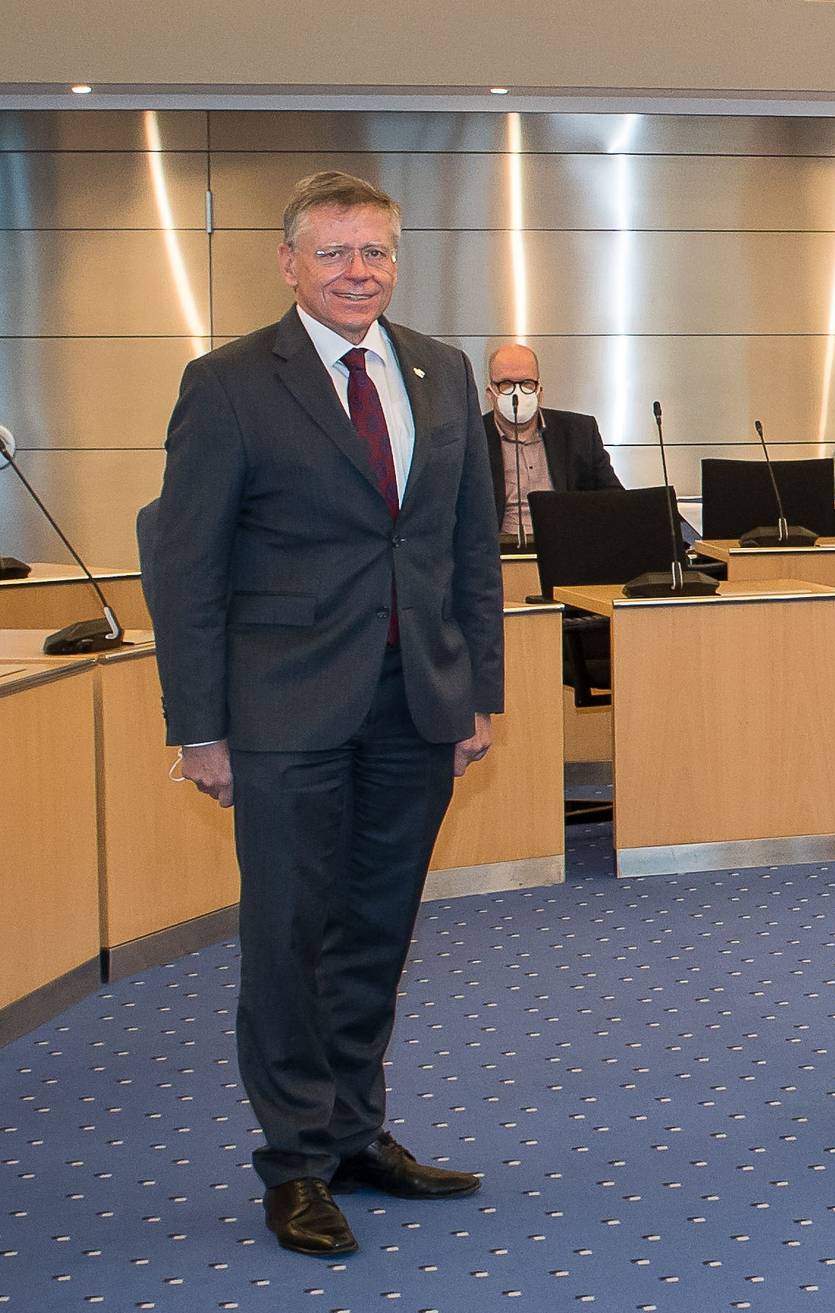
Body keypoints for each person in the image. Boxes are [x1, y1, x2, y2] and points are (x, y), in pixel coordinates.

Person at [148, 171, 505, 1256]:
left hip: (416, 705)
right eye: (338, 253)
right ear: (290, 261)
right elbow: (187, 566)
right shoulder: (227, 384)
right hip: (283, 712)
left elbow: (467, 547)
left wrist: (479, 690)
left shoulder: (441, 373)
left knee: (376, 932)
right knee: (290, 936)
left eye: (378, 253)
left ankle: (356, 1131)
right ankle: (294, 1160)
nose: (361, 272)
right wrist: (197, 725)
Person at [481, 342, 623, 547]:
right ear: (490, 393)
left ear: (539, 390)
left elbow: (614, 501)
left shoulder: (579, 432)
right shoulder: (471, 438)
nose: (517, 392)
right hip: (499, 557)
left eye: (526, 383)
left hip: (567, 552)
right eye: (506, 384)